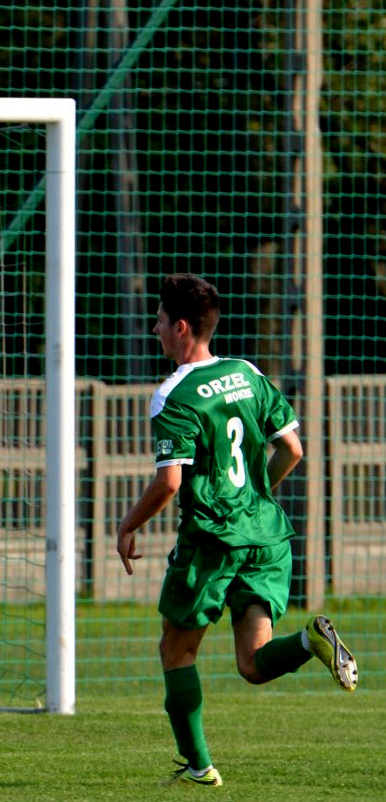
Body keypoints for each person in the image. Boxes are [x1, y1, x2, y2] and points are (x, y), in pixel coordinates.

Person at [117, 273, 358, 788]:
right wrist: (255, 496)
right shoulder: (246, 373)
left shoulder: (174, 394)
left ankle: (199, 768)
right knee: (252, 663)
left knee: (176, 650)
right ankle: (310, 640)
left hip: (213, 541)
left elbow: (169, 482)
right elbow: (292, 449)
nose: (155, 328)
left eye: (159, 320)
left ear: (181, 327)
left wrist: (127, 524)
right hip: (266, 536)